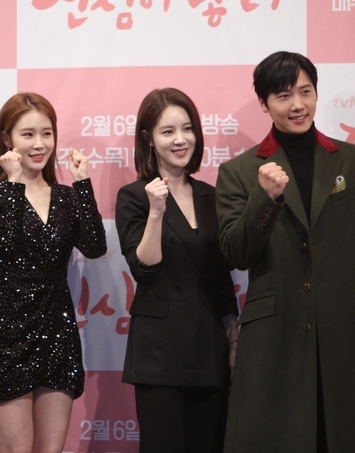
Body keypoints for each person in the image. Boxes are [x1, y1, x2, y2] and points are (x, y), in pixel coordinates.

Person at [216, 51, 355, 453]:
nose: (298, 104)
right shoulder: (239, 172)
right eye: (283, 96)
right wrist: (264, 198)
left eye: (305, 91)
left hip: (347, 334)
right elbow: (235, 254)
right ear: (264, 104)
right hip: (273, 339)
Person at [0, 92, 107, 453]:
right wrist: (14, 183)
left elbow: (95, 247)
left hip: (57, 328)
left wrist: (82, 184)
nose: (39, 144)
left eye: (47, 133)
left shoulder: (66, 197)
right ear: (7, 139)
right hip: (9, 332)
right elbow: (8, 247)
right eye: (28, 134)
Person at [115, 87, 239, 453]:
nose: (180, 139)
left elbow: (221, 276)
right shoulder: (134, 196)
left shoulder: (212, 196)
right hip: (159, 353)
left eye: (187, 129)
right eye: (168, 131)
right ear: (149, 139)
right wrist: (156, 211)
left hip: (209, 349)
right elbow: (143, 268)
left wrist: (233, 335)